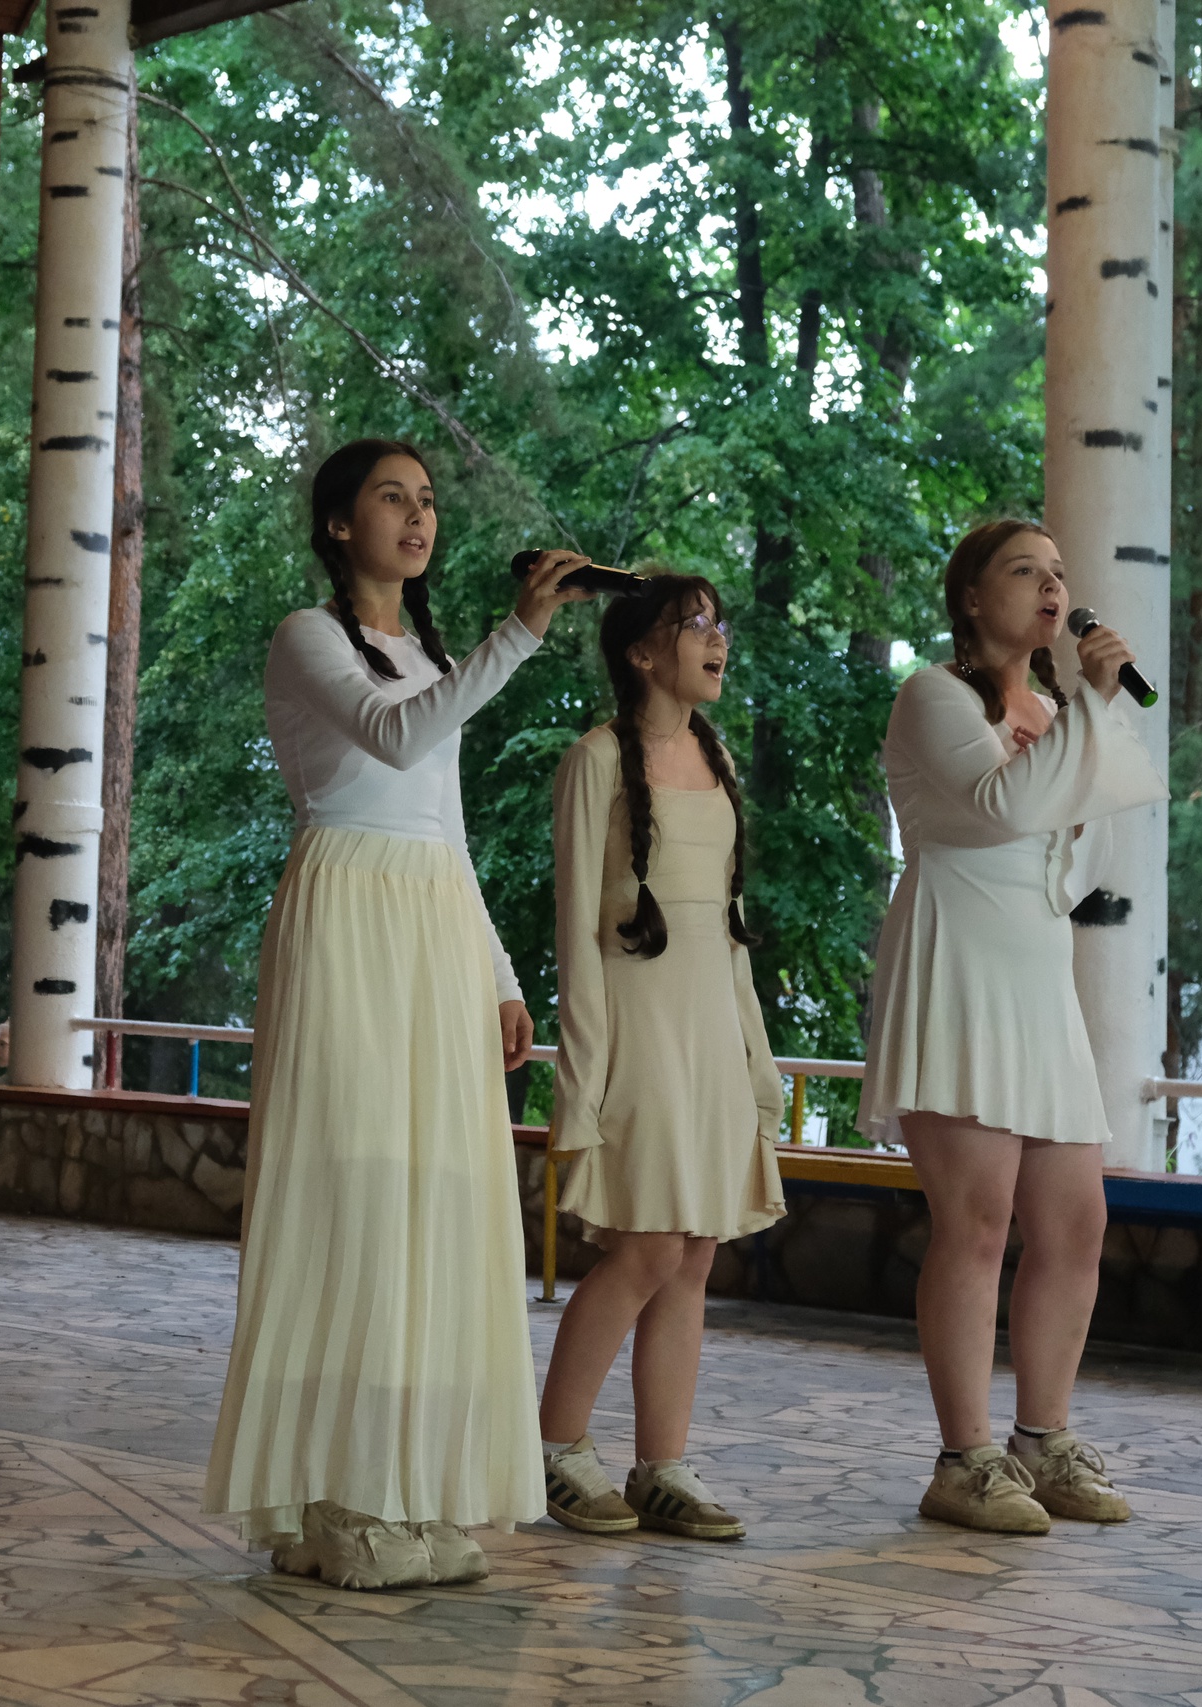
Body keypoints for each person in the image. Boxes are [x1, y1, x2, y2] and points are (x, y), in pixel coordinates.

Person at [201, 438, 592, 1590]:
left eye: (426, 500)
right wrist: (519, 634)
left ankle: (406, 1482)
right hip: (346, 912)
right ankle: (337, 1496)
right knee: (353, 1198)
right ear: (338, 524)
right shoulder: (308, 637)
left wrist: (501, 974)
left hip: (431, 921)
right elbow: (391, 736)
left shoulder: (430, 656)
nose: (418, 516)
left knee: (431, 1203)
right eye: (391, 497)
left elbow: (446, 829)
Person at [858, 519, 1166, 1534]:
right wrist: (1085, 713)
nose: (1051, 587)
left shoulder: (1053, 709)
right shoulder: (933, 695)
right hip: (958, 953)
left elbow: (1081, 851)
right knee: (979, 1218)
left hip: (1037, 968)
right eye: (1024, 571)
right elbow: (998, 809)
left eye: (1059, 573)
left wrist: (1078, 721)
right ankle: (963, 1458)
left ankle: (1044, 1438)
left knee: (1076, 1222)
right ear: (971, 597)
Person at [535, 574, 784, 1544]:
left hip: (710, 1035)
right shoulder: (595, 760)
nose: (718, 639)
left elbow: (729, 934)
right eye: (695, 625)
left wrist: (756, 1063)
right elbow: (574, 936)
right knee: (643, 1248)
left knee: (692, 1254)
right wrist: (583, 1085)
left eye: (720, 623)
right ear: (642, 652)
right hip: (635, 1035)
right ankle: (556, 1448)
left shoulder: (716, 757)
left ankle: (661, 1467)